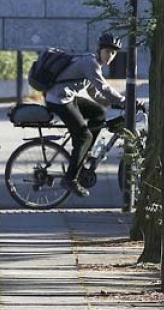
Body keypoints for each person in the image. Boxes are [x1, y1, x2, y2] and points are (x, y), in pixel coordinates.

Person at [44, 33, 127, 198]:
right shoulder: (90, 64)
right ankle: (70, 179)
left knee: (99, 113)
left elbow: (94, 93)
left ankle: (85, 153)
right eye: (108, 51)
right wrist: (125, 100)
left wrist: (112, 104)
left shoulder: (93, 64)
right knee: (84, 136)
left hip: (66, 97)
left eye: (114, 53)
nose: (110, 55)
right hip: (58, 99)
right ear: (100, 50)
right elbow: (104, 88)